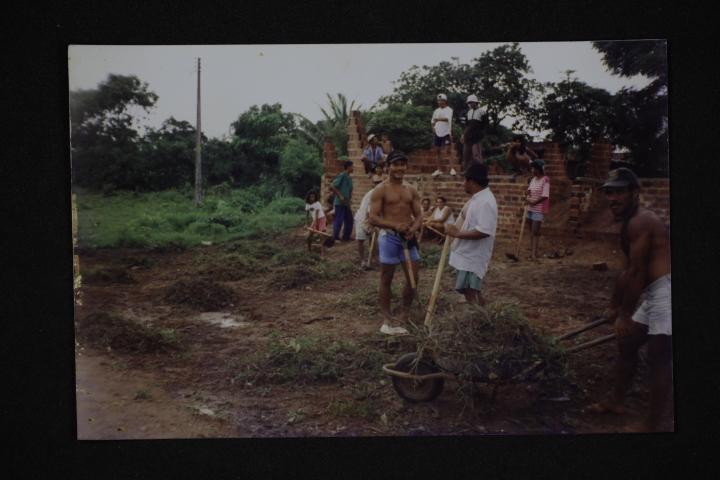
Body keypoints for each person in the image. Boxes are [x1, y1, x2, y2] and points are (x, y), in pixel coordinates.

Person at [586, 167, 672, 433]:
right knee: (628, 345)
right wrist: (614, 306)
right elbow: (627, 272)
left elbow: (636, 272)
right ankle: (616, 401)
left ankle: (652, 424)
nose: (613, 198)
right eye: (609, 193)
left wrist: (625, 314)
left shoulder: (641, 221)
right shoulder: (630, 224)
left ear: (635, 193)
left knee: (659, 357)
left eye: (619, 192)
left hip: (667, 293)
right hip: (653, 293)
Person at [368, 150, 423, 335]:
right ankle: (386, 317)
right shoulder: (380, 190)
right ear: (388, 166)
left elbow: (419, 215)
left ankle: (404, 313)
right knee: (386, 278)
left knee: (413, 278)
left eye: (403, 164)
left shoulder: (411, 190)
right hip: (389, 238)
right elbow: (373, 218)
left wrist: (413, 229)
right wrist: (395, 225)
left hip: (408, 239)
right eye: (396, 164)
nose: (400, 168)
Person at [445, 163, 497, 306]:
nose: (463, 184)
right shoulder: (477, 198)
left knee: (471, 292)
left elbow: (484, 231)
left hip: (474, 256)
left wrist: (458, 233)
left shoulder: (485, 202)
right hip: (468, 253)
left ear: (472, 181)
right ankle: (483, 317)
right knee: (471, 291)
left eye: (465, 180)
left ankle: (479, 319)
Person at [354, 173, 385, 267]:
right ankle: (363, 260)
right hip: (362, 218)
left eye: (380, 182)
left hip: (370, 217)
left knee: (373, 237)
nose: (378, 184)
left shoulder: (380, 193)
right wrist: (371, 224)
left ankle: (374, 258)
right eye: (376, 182)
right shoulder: (373, 194)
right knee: (361, 239)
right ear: (373, 184)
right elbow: (369, 212)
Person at [525, 159, 550, 261]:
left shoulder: (545, 180)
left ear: (539, 169)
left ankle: (534, 255)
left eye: (534, 168)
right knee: (531, 231)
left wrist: (534, 202)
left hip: (538, 210)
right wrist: (527, 193)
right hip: (530, 208)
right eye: (532, 168)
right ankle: (533, 253)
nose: (532, 170)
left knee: (535, 232)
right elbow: (530, 192)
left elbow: (545, 196)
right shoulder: (533, 180)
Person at [431, 93, 456, 177]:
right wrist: (433, 128)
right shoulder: (436, 111)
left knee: (448, 151)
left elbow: (447, 119)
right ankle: (439, 170)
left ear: (445, 101)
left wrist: (437, 119)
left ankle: (452, 169)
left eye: (441, 100)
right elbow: (432, 121)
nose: (440, 102)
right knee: (437, 151)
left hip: (446, 133)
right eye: (438, 101)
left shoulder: (449, 110)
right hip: (437, 133)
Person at [329, 160, 354, 242]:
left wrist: (349, 200)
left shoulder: (349, 178)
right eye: (352, 166)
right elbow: (333, 185)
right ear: (348, 167)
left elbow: (349, 190)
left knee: (349, 219)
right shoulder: (342, 175)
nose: (353, 168)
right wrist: (340, 195)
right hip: (339, 203)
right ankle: (335, 237)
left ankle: (346, 237)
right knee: (339, 220)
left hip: (346, 203)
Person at [304, 190, 327, 254]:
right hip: (314, 220)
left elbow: (317, 215)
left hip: (321, 218)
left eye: (313, 197)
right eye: (311, 197)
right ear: (308, 197)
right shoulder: (307, 204)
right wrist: (306, 223)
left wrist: (314, 225)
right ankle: (309, 250)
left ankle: (322, 252)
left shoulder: (317, 203)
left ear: (315, 197)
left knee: (320, 235)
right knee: (309, 236)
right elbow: (307, 215)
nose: (312, 198)